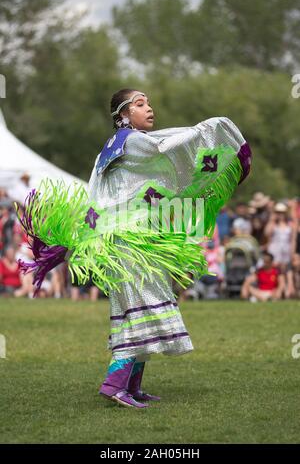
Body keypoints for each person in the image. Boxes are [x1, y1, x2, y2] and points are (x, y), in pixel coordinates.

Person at [15, 88, 252, 409]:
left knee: (141, 310)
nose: (149, 108)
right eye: (140, 104)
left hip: (127, 240)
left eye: (149, 102)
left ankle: (133, 384)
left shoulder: (118, 146)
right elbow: (168, 148)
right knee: (140, 309)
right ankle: (114, 384)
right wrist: (212, 128)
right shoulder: (133, 141)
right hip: (126, 243)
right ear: (123, 115)